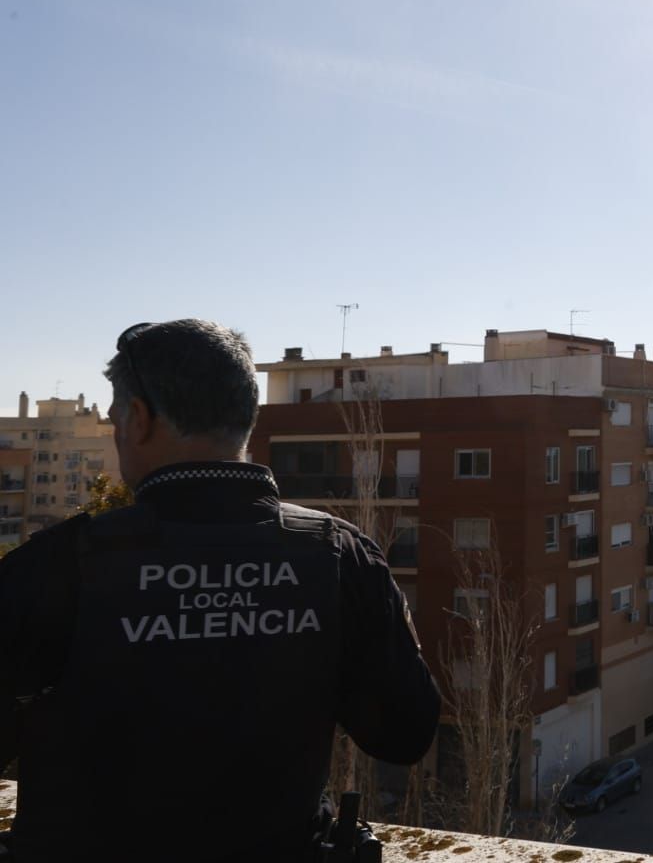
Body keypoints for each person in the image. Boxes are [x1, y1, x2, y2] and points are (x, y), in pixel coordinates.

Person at [0, 320, 441, 862]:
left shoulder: (56, 566)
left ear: (137, 419)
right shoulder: (338, 555)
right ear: (244, 421)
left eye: (116, 417)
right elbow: (404, 732)